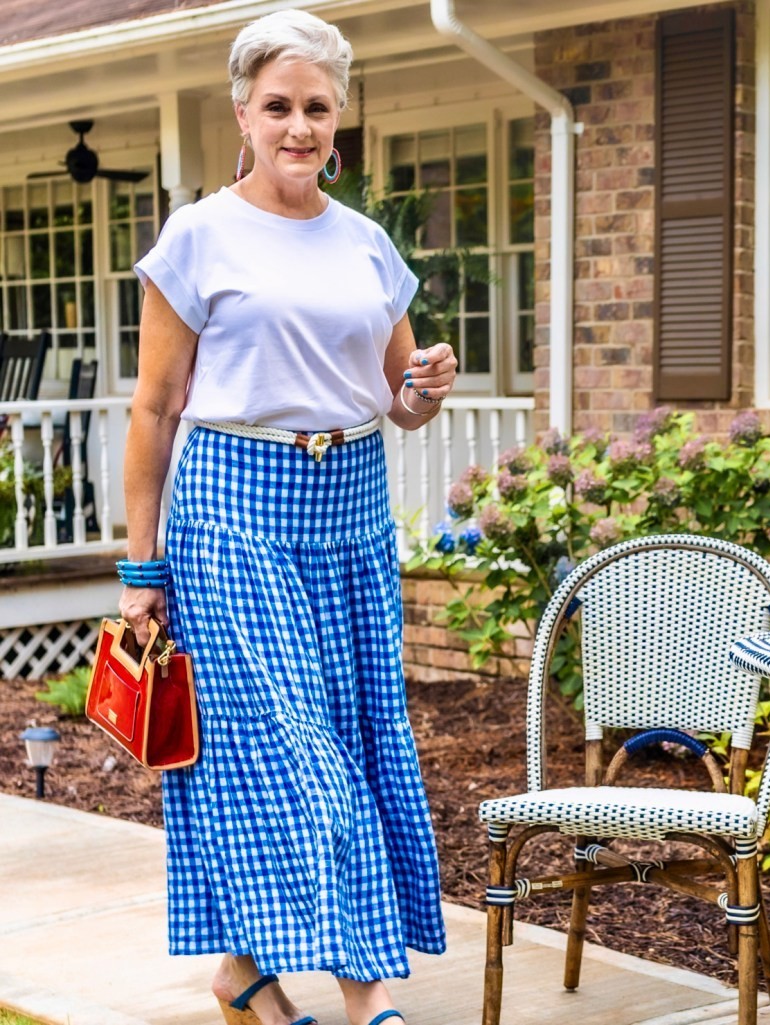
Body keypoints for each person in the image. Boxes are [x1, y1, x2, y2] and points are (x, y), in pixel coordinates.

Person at [118, 10, 455, 1025]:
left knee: (352, 738)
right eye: (278, 106)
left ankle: (243, 976)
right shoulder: (199, 235)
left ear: (339, 116)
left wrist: (426, 389)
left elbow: (396, 394)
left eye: (315, 106)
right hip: (232, 506)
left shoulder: (365, 243)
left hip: (348, 506)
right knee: (293, 748)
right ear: (243, 113)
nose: (297, 126)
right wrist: (142, 566)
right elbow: (154, 406)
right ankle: (368, 996)